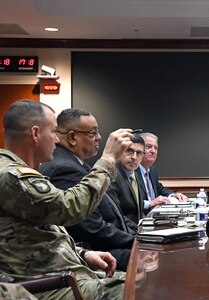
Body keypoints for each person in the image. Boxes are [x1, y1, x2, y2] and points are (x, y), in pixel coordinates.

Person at [0, 100, 133, 299]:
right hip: (44, 285)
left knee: (146, 279)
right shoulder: (11, 175)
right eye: (53, 132)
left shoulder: (21, 172)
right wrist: (108, 160)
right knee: (146, 288)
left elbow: (37, 234)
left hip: (64, 273)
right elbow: (67, 210)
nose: (56, 139)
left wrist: (82, 254)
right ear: (36, 134)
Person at [38, 108, 134, 272]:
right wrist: (136, 241)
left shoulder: (76, 163)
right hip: (98, 253)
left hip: (107, 246)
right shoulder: (64, 168)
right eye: (93, 133)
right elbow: (92, 228)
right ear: (72, 137)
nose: (99, 137)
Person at [137, 132, 188, 214]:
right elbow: (129, 203)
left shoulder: (152, 170)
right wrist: (150, 203)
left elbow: (159, 189)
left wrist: (173, 195)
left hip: (155, 215)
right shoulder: (132, 172)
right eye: (149, 147)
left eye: (156, 148)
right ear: (139, 149)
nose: (153, 151)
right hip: (140, 218)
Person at [108, 133, 146, 230]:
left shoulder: (134, 173)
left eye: (139, 153)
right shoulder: (112, 176)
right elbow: (116, 217)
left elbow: (137, 211)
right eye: (129, 151)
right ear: (120, 151)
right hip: (123, 236)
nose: (134, 157)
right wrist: (141, 230)